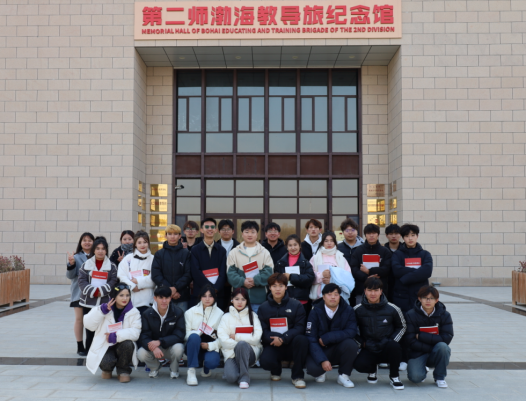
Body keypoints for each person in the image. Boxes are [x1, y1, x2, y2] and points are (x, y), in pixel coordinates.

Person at [353, 277, 407, 390]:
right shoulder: (357, 310)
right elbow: (351, 330)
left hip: (386, 345)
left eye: (376, 290)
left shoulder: (393, 308)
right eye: (370, 290)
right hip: (368, 346)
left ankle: (394, 377)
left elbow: (402, 327)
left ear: (381, 291)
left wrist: (391, 340)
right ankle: (372, 369)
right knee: (359, 365)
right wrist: (362, 343)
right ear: (365, 291)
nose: (373, 293)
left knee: (395, 347)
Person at [257, 273, 309, 388]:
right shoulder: (263, 307)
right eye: (274, 286)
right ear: (269, 288)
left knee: (302, 340)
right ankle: (276, 369)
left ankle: (297, 376)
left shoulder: (296, 305)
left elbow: (300, 327)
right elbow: (262, 330)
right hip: (273, 343)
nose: (277, 289)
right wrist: (275, 338)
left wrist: (283, 338)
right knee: (265, 362)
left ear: (286, 287)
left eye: (281, 285)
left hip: (291, 343)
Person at [83, 283, 141, 382]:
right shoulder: (104, 309)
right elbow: (88, 324)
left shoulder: (134, 312)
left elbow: (136, 332)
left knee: (128, 344)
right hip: (106, 346)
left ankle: (123, 370)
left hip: (122, 346)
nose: (125, 298)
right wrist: (101, 311)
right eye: (121, 295)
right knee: (106, 363)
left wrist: (116, 336)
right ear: (114, 296)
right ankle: (107, 369)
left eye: (127, 295)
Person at [305, 283, 359, 388]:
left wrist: (328, 337)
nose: (333, 297)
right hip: (321, 348)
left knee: (351, 344)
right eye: (329, 294)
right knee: (313, 370)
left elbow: (352, 331)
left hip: (338, 348)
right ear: (323, 297)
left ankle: (344, 375)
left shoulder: (348, 310)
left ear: (340, 296)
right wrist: (322, 360)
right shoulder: (315, 311)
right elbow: (310, 338)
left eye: (336, 294)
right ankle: (322, 371)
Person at [405, 286, 453, 388]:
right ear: (419, 299)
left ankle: (440, 377)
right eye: (425, 298)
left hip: (436, 351)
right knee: (415, 378)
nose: (428, 301)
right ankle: (422, 368)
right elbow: (410, 340)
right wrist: (431, 347)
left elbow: (446, 337)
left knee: (443, 347)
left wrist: (421, 336)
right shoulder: (410, 315)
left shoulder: (444, 315)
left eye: (431, 298)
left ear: (436, 300)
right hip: (417, 352)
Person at [78, 236, 119, 352]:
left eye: (103, 249)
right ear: (94, 250)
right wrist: (94, 291)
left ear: (106, 250)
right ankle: (89, 352)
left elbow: (113, 281)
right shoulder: (86, 265)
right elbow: (81, 281)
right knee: (90, 329)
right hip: (88, 302)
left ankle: (102, 352)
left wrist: (101, 291)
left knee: (103, 328)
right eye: (97, 248)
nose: (100, 251)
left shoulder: (112, 266)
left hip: (105, 303)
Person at [218, 287, 263, 389]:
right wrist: (240, 346)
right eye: (237, 299)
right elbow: (224, 341)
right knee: (231, 378)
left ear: (247, 301)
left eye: (243, 299)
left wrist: (237, 337)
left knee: (242, 345)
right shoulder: (225, 317)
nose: (240, 302)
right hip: (231, 353)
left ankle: (244, 378)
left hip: (250, 353)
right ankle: (236, 369)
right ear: (232, 300)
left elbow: (257, 338)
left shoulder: (253, 315)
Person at [137, 286, 186, 379]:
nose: (164, 301)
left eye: (166, 298)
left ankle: (174, 369)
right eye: (161, 298)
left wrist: (160, 341)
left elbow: (180, 334)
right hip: (155, 348)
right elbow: (144, 335)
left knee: (179, 348)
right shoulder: (147, 314)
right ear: (155, 298)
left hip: (171, 347)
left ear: (170, 298)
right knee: (141, 353)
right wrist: (153, 347)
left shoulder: (178, 312)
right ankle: (155, 367)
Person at [227, 220, 273, 313]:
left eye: (253, 232)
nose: (249, 235)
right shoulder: (234, 252)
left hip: (259, 300)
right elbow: (230, 274)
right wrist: (243, 281)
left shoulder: (264, 252)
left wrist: (255, 280)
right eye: (247, 232)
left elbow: (269, 273)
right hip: (239, 301)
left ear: (257, 234)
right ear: (242, 234)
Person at [184, 285, 224, 386]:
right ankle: (191, 371)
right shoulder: (190, 312)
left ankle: (206, 368)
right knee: (194, 337)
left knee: (212, 362)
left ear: (214, 297)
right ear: (200, 297)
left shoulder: (220, 314)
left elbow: (222, 338)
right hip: (194, 345)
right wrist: (198, 332)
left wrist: (209, 345)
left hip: (210, 346)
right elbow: (185, 335)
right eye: (204, 296)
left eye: (210, 296)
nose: (207, 299)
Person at [391, 223, 433, 313]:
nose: (410, 238)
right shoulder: (397, 254)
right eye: (407, 236)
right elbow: (397, 270)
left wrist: (405, 278)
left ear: (417, 236)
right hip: (401, 296)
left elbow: (427, 271)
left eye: (413, 235)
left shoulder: (425, 254)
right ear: (403, 238)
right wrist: (418, 272)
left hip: (420, 295)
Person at [151, 224, 192, 312]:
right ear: (165, 236)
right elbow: (156, 275)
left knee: (181, 320)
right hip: (163, 297)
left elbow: (188, 274)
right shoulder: (159, 254)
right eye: (170, 234)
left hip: (181, 296)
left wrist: (176, 288)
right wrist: (170, 290)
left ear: (180, 236)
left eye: (175, 234)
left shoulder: (186, 253)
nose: (172, 237)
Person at [66, 232, 94, 356]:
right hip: (79, 293)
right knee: (79, 320)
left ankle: (91, 345)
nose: (87, 242)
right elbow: (70, 276)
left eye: (89, 240)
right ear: (80, 243)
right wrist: (71, 264)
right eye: (84, 240)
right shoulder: (76, 257)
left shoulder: (98, 256)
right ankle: (80, 345)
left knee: (91, 320)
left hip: (93, 294)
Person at [349, 223, 392, 305]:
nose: (371, 235)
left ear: (378, 235)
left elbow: (387, 269)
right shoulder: (358, 251)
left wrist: (369, 271)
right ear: (365, 235)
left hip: (381, 290)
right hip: (362, 290)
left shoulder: (385, 251)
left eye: (374, 233)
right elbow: (354, 268)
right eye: (369, 233)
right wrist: (367, 277)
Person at [190, 218, 227, 309]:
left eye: (212, 227)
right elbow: (196, 272)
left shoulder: (221, 250)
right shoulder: (195, 250)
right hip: (200, 293)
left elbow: (223, 273)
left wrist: (215, 289)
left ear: (216, 230)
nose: (210, 229)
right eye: (206, 227)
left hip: (218, 293)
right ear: (202, 230)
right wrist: (208, 289)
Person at [274, 234, 315, 316]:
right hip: (284, 299)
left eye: (295, 245)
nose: (293, 248)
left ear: (299, 246)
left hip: (301, 300)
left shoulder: (306, 263)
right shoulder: (280, 263)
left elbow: (310, 279)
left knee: (300, 322)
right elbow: (275, 280)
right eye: (290, 245)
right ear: (286, 247)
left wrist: (291, 277)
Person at [117, 230, 155, 315]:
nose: (142, 245)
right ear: (135, 244)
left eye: (145, 242)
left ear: (148, 243)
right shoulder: (128, 258)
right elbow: (121, 275)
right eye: (139, 242)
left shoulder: (153, 259)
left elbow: (154, 278)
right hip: (130, 301)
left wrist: (138, 281)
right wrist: (132, 286)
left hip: (148, 302)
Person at [309, 231, 353, 301]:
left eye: (331, 241)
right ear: (322, 242)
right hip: (319, 297)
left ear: (335, 242)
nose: (329, 243)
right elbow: (309, 277)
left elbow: (348, 277)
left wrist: (332, 280)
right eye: (326, 241)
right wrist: (322, 276)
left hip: (338, 296)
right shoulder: (315, 258)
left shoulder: (341, 258)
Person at [217, 219, 240, 311]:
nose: (226, 231)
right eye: (223, 229)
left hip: (235, 284)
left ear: (233, 231)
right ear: (219, 231)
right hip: (218, 284)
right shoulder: (214, 246)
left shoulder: (239, 247)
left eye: (228, 229)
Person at [384, 223, 402, 302]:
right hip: (386, 286)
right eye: (391, 234)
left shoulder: (405, 250)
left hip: (401, 285)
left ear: (400, 235)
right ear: (386, 235)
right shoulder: (383, 251)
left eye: (396, 233)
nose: (394, 236)